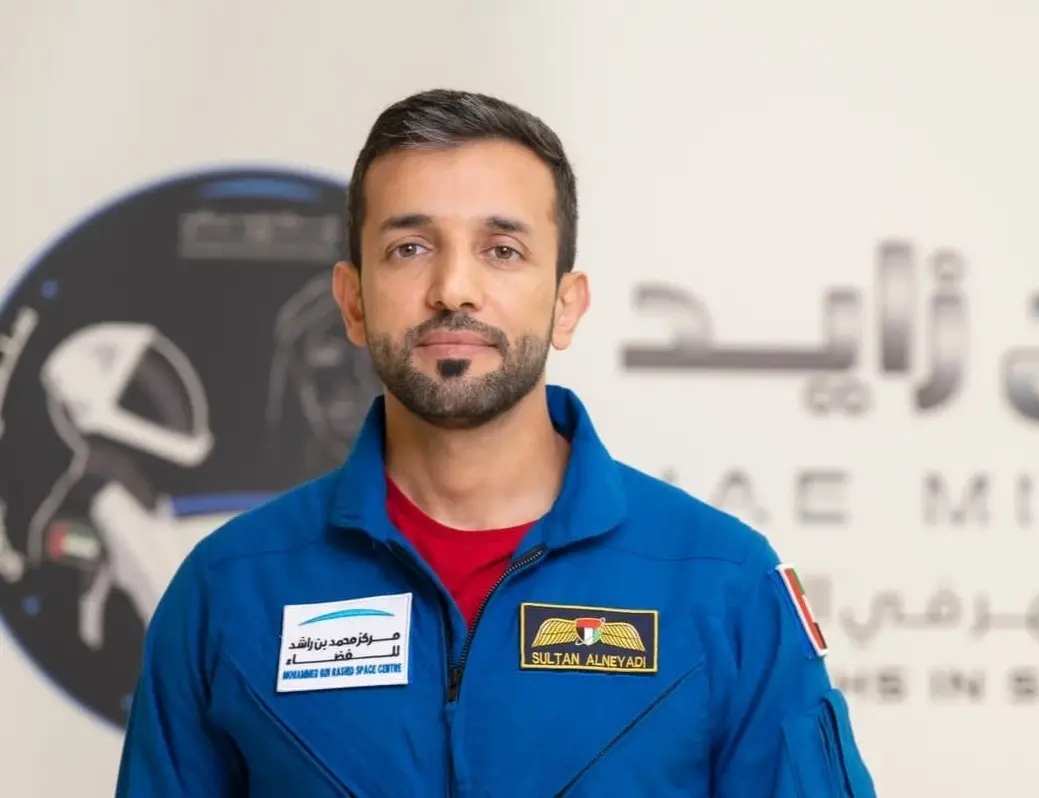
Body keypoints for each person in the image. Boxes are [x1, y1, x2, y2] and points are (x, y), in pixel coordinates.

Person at [114, 89, 876, 797]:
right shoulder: (229, 589)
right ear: (352, 302)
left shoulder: (722, 585)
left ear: (565, 306)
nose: (453, 288)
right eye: (410, 248)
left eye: (502, 249)